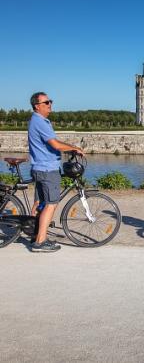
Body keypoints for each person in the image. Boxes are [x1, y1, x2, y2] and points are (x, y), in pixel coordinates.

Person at [28, 92, 84, 253]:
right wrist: (74, 148)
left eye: (50, 101)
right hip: (47, 170)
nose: (49, 104)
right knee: (51, 204)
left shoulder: (37, 120)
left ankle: (35, 233)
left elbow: (51, 144)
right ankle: (40, 242)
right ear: (37, 106)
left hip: (40, 168)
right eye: (46, 102)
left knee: (40, 203)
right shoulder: (40, 122)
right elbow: (55, 144)